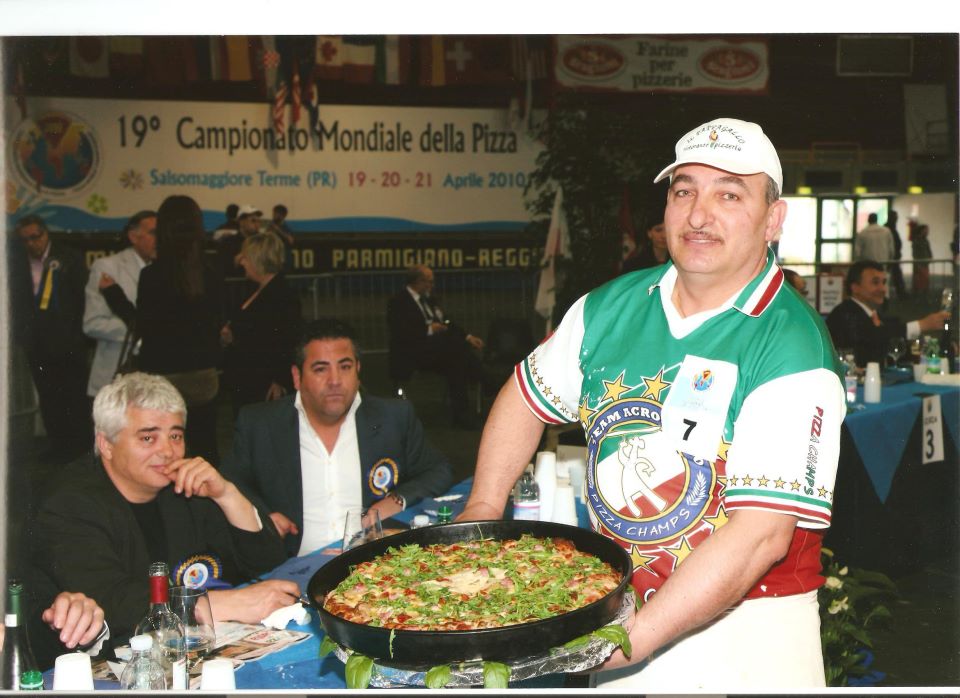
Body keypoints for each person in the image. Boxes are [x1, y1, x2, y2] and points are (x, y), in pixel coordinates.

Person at [459, 118, 846, 690]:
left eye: (729, 195)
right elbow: (525, 395)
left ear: (773, 219)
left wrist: (633, 642)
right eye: (684, 190)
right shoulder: (608, 307)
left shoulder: (790, 342)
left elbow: (760, 535)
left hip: (748, 632)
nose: (699, 215)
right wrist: (483, 507)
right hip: (616, 611)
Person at [29, 372, 296, 653]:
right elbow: (111, 601)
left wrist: (227, 495)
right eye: (148, 437)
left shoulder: (184, 485)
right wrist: (225, 604)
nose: (168, 451)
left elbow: (268, 564)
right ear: (106, 444)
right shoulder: (68, 503)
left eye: (175, 436)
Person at [221, 318, 453, 558]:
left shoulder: (392, 417)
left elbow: (438, 469)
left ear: (358, 370)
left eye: (345, 367)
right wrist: (261, 515)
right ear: (297, 377)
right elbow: (229, 484)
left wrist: (396, 500)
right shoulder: (261, 424)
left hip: (371, 561)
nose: (335, 381)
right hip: (294, 566)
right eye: (321, 369)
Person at [136, 195, 223, 463]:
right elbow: (217, 322)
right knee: (206, 448)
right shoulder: (210, 273)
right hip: (203, 377)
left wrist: (114, 295)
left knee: (166, 452)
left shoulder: (151, 276)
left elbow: (145, 327)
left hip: (165, 378)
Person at [8, 214, 91, 463]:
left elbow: (83, 300)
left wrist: (78, 336)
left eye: (36, 237)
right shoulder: (16, 262)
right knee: (48, 397)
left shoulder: (69, 258)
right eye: (25, 240)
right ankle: (58, 446)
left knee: (75, 396)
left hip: (69, 342)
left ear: (46, 233)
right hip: (36, 343)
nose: (32, 243)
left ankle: (82, 447)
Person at [386, 265, 488, 428]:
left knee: (457, 360)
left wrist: (468, 337)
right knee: (458, 354)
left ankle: (462, 414)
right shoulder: (398, 301)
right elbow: (401, 332)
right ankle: (486, 382)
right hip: (412, 353)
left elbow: (446, 321)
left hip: (437, 351)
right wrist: (428, 330)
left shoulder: (429, 300)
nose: (432, 286)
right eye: (429, 281)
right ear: (418, 281)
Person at [221, 232, 302, 415]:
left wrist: (279, 380)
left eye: (246, 257)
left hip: (265, 386)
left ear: (258, 259)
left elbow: (287, 341)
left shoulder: (282, 296)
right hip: (249, 379)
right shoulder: (256, 289)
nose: (242, 261)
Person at [83, 210, 157, 397]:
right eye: (153, 233)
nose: (160, 239)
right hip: (117, 371)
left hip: (155, 376)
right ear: (133, 237)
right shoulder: (107, 267)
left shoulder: (164, 270)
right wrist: (143, 333)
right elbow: (92, 323)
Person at [826, 260, 948, 367]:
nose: (882, 289)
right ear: (855, 287)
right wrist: (920, 325)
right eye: (875, 283)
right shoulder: (844, 314)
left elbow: (892, 348)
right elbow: (870, 340)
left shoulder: (876, 315)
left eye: (884, 282)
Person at [885, 210, 907, 299]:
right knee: (896, 274)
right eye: (896, 217)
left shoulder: (889, 228)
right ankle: (900, 293)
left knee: (895, 274)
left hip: (893, 255)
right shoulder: (889, 228)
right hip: (892, 256)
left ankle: (899, 292)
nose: (897, 218)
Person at [910, 221, 933, 297]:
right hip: (919, 263)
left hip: (925, 263)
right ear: (921, 231)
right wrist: (918, 262)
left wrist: (930, 257)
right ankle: (917, 294)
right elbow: (915, 253)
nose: (927, 232)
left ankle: (924, 293)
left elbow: (928, 250)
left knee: (925, 279)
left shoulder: (926, 240)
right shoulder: (916, 240)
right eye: (926, 230)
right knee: (918, 279)